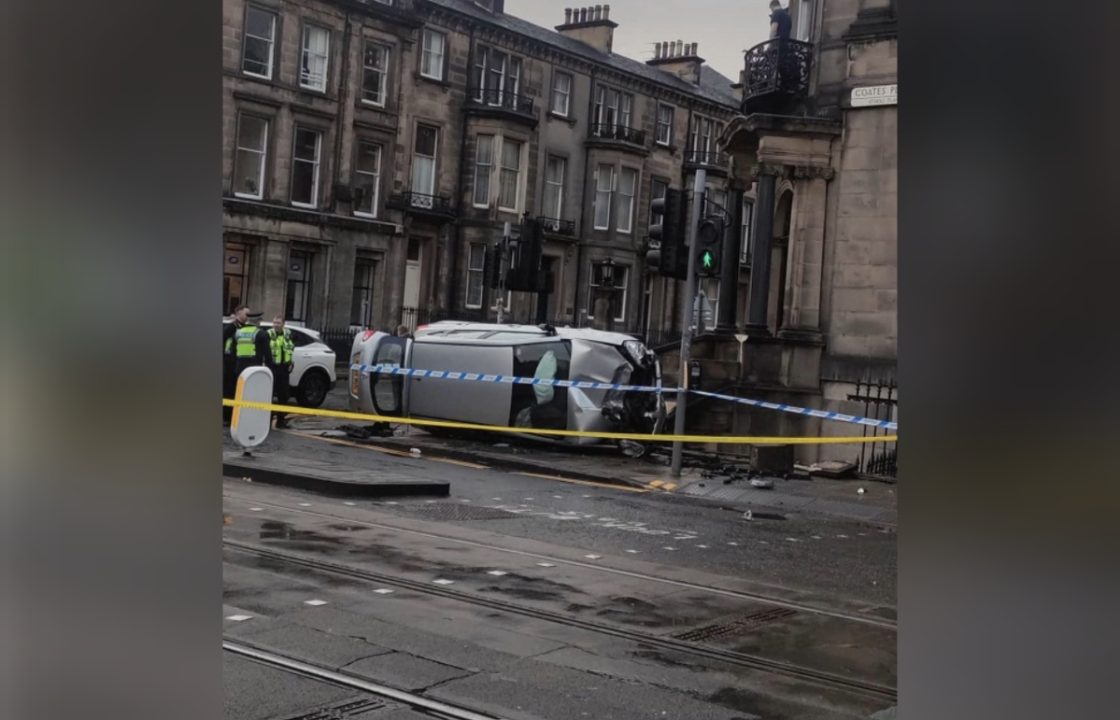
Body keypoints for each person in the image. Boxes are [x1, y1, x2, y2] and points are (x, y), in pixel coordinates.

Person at [223, 305, 251, 423]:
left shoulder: (246, 328)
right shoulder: (230, 328)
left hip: (241, 365)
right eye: (246, 314)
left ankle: (235, 416)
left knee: (238, 392)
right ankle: (227, 417)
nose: (248, 316)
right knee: (229, 392)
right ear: (239, 314)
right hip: (230, 365)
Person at [267, 315, 296, 429]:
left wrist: (291, 362)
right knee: (269, 396)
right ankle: (267, 421)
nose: (275, 325)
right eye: (274, 323)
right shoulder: (268, 334)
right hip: (272, 368)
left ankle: (281, 421)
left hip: (284, 369)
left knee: (284, 396)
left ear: (283, 324)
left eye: (278, 323)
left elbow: (290, 349)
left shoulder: (288, 334)